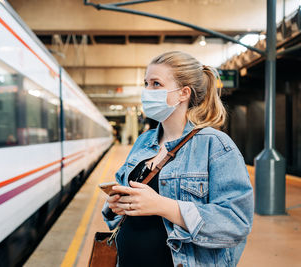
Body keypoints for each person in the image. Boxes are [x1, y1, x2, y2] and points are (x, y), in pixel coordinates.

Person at [102, 51, 254, 267]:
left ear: (183, 93)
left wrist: (163, 206)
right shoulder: (144, 142)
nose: (146, 91)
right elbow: (122, 205)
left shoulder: (215, 145)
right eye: (146, 83)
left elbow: (236, 222)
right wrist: (116, 205)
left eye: (156, 84)